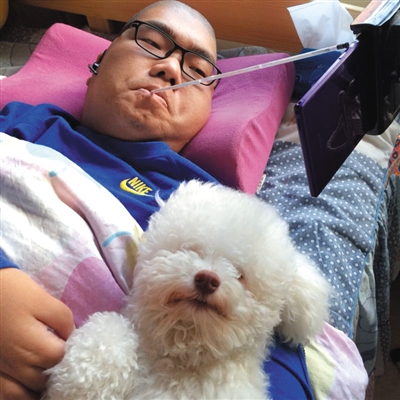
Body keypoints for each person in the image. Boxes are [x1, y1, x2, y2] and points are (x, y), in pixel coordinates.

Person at [0, 1, 313, 399]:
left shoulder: (210, 207)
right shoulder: (26, 123)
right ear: (99, 61)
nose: (171, 69)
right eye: (151, 43)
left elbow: (270, 357)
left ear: (207, 110)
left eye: (197, 71)